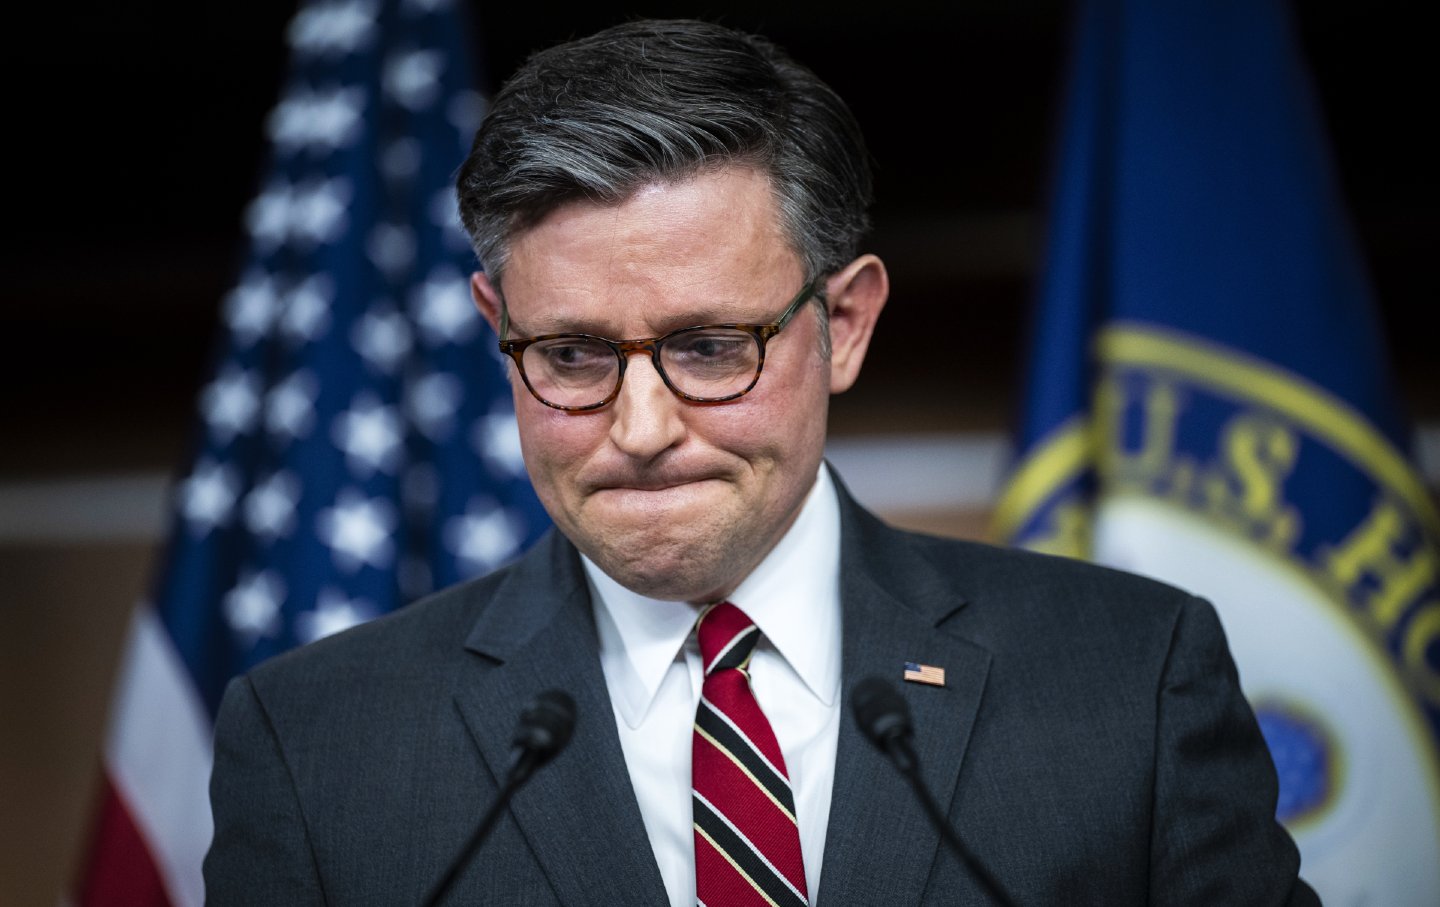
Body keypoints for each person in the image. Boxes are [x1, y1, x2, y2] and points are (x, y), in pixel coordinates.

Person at [204, 18, 1319, 906]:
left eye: (707, 347)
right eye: (573, 354)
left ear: (844, 325)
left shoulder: (1130, 678)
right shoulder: (317, 745)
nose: (640, 427)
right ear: (495, 321)